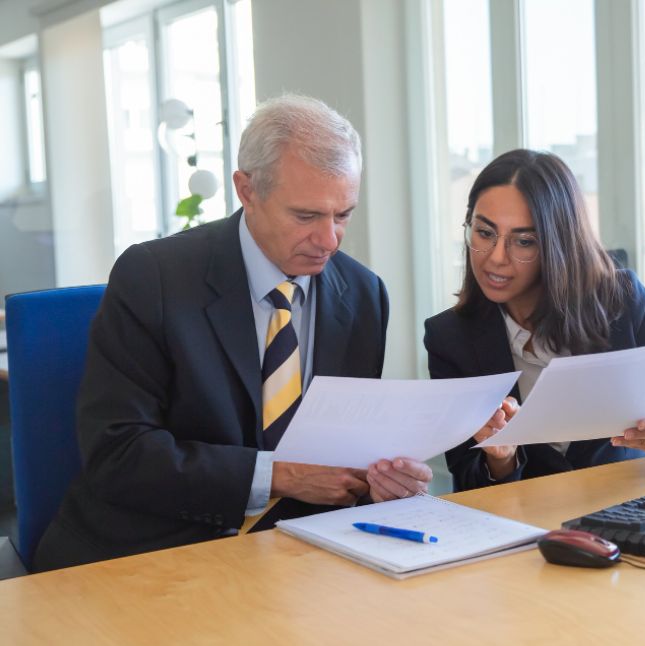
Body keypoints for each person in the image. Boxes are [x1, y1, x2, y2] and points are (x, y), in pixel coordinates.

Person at [34, 95, 431, 571]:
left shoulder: (363, 294)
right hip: (153, 552)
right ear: (247, 190)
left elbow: (344, 446)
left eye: (343, 214)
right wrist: (277, 476)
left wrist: (380, 480)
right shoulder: (154, 277)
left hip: (299, 557)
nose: (329, 240)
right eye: (306, 216)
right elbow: (118, 453)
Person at [424, 149, 645, 492]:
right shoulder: (449, 337)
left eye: (523, 241)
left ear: (557, 243)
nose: (496, 258)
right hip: (524, 527)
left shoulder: (622, 300)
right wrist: (501, 460)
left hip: (627, 510)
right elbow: (467, 478)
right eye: (485, 233)